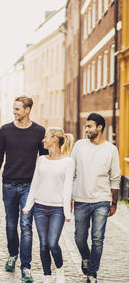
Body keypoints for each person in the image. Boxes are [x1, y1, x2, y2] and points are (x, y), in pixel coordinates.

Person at [0, 95, 47, 283]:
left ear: (27, 110)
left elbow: (44, 160)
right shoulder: (5, 130)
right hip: (9, 186)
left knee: (26, 227)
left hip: (29, 186)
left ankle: (26, 267)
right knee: (11, 226)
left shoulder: (39, 131)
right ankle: (13, 254)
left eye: (18, 109)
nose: (14, 112)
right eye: (13, 108)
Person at [71, 113, 120, 283]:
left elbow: (115, 178)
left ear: (99, 128)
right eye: (86, 126)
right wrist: (68, 196)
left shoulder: (111, 150)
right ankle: (86, 257)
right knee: (79, 237)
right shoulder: (78, 146)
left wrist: (114, 203)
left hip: (101, 200)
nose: (86, 129)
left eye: (89, 126)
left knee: (97, 239)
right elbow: (72, 172)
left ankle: (92, 273)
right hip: (81, 199)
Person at [23, 127, 75, 283]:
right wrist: (28, 206)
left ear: (54, 139)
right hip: (40, 207)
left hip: (57, 209)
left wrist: (67, 212)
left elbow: (68, 188)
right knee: (44, 244)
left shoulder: (68, 162)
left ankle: (59, 270)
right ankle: (47, 275)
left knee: (53, 243)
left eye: (46, 137)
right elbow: (35, 184)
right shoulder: (41, 160)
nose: (43, 140)